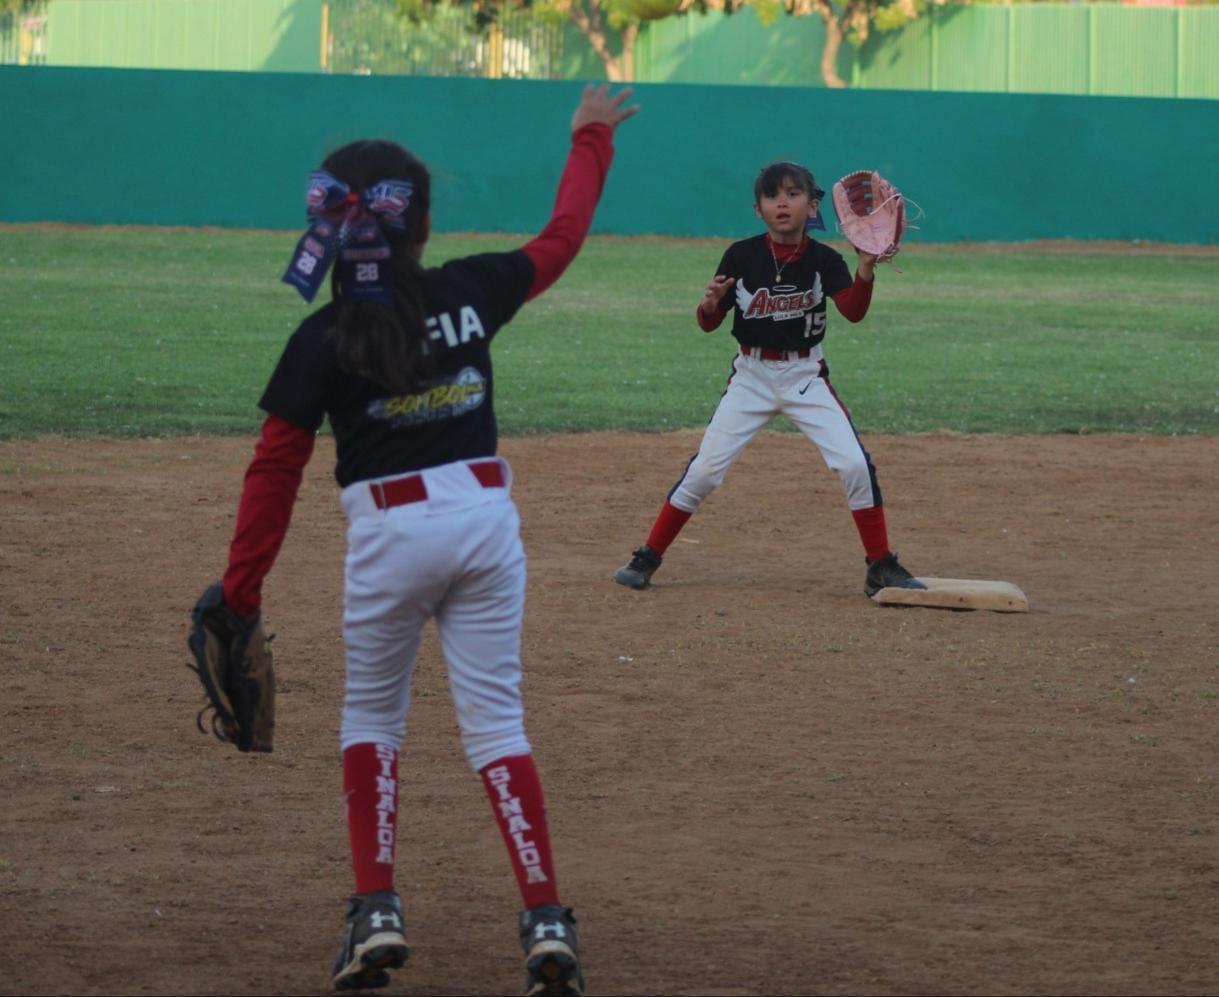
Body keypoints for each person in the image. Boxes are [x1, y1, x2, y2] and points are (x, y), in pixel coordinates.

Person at [211, 83, 638, 995]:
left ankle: (375, 910)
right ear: (422, 223)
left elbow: (273, 475)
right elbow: (561, 238)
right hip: (485, 524)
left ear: (331, 228)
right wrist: (590, 139)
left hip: (388, 536)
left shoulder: (323, 334)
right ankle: (545, 920)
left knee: (373, 721)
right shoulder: (472, 290)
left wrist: (240, 591)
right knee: (497, 726)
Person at [612, 161, 926, 598]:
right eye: (772, 196)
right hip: (752, 377)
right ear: (757, 209)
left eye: (794, 194)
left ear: (813, 205)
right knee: (705, 471)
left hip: (804, 375)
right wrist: (709, 304)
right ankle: (647, 555)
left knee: (854, 463)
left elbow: (853, 311)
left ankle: (880, 565)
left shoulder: (824, 260)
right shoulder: (741, 256)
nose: (783, 202)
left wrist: (866, 269)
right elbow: (709, 323)